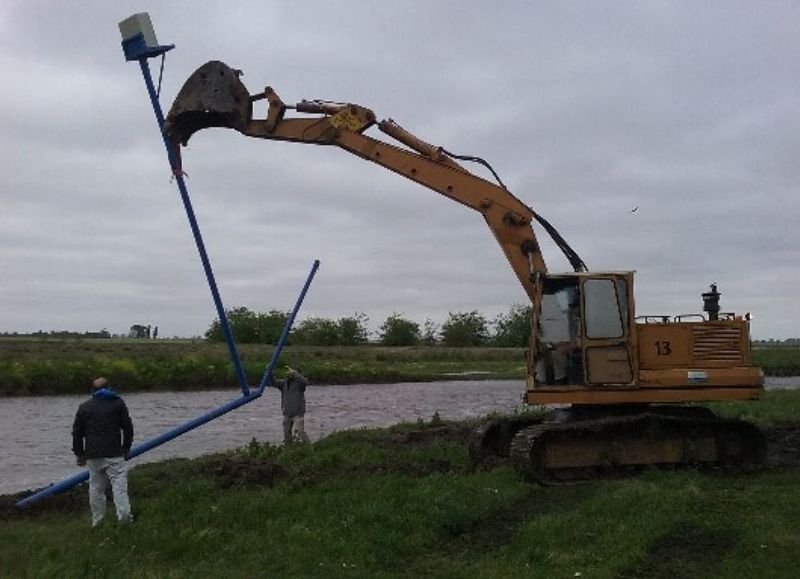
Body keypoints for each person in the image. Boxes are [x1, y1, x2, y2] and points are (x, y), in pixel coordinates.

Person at [72, 377, 134, 527]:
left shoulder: (84, 407)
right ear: (110, 388)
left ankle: (98, 522)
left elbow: (77, 433)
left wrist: (80, 454)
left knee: (96, 488)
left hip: (93, 455)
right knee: (119, 487)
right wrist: (126, 448)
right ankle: (124, 519)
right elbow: (128, 428)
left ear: (92, 391)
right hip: (114, 453)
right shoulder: (118, 403)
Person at [270, 366, 310, 444]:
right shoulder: (284, 383)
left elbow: (305, 382)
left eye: (293, 372)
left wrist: (294, 373)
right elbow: (273, 382)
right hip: (287, 413)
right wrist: (269, 372)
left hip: (298, 413)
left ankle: (310, 447)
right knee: (286, 433)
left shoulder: (300, 384)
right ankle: (289, 450)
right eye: (290, 371)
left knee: (300, 431)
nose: (290, 373)